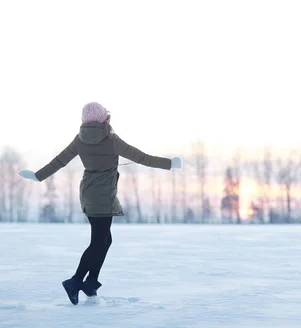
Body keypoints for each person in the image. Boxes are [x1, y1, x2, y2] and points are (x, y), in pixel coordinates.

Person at [17, 101, 182, 305]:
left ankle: (90, 282)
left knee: (104, 240)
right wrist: (169, 164)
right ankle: (76, 281)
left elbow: (59, 161)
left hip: (89, 193)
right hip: (103, 196)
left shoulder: (79, 139)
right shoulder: (111, 139)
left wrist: (38, 176)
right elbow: (140, 157)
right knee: (98, 242)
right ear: (105, 118)